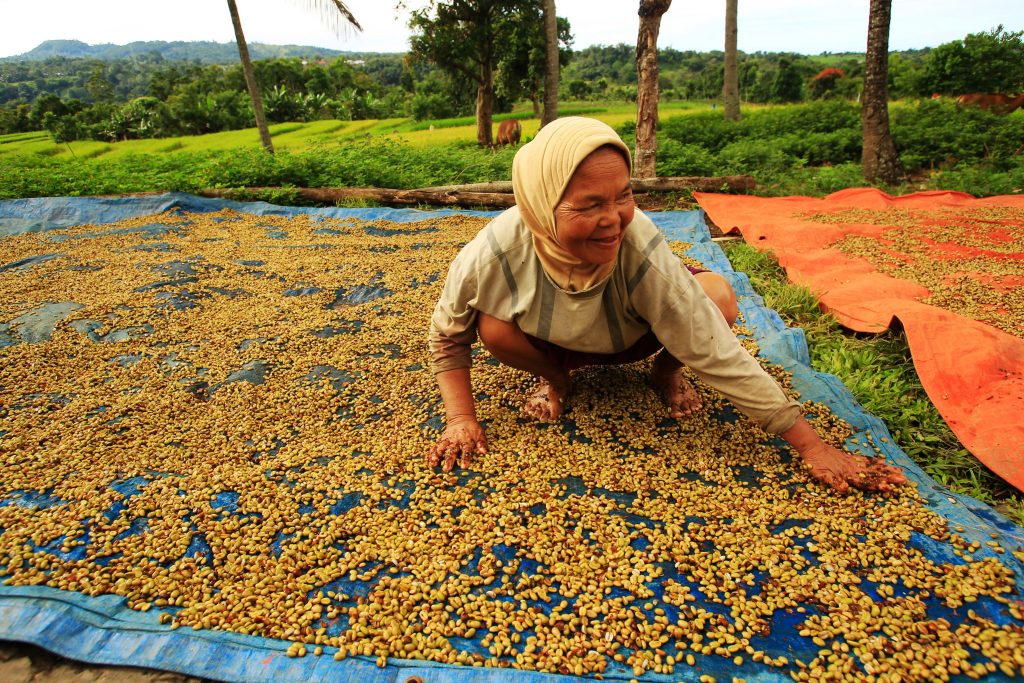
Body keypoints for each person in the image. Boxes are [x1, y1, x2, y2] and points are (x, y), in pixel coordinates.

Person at [426, 117, 906, 494]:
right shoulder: (494, 252)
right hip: (554, 342)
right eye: (589, 205)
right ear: (541, 203)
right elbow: (448, 337)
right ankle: (556, 379)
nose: (613, 220)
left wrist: (812, 446)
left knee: (718, 299)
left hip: (635, 336)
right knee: (492, 327)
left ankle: (666, 373)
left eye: (623, 196)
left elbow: (714, 346)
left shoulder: (638, 243)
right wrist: (460, 419)